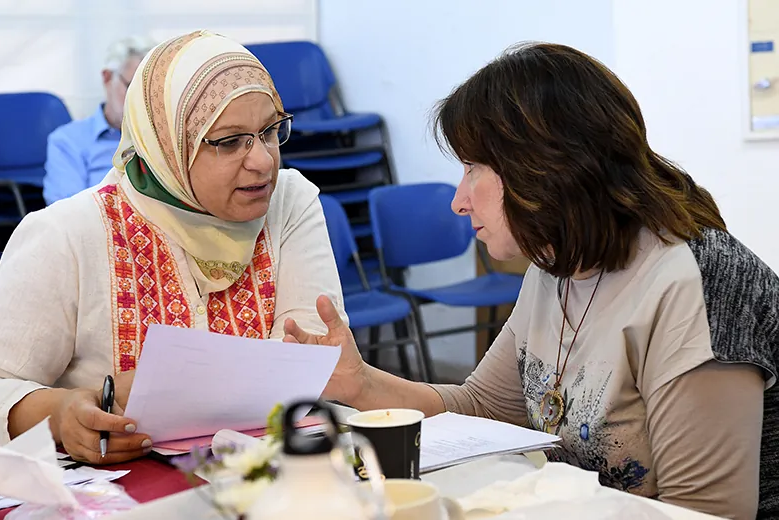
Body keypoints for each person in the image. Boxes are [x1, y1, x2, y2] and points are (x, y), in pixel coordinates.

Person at [284, 43, 779, 519]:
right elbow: (481, 408)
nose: (459, 200)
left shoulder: (695, 282)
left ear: (541, 167)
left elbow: (703, 515)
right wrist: (360, 383)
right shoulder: (557, 262)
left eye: (473, 168)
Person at [0, 31, 345, 465]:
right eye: (229, 141)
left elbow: (309, 364)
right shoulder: (69, 234)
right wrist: (58, 414)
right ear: (166, 147)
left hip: (272, 482)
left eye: (270, 130)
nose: (264, 160)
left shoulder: (288, 202)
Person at [42, 35, 154, 205]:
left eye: (151, 92)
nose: (141, 100)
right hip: (97, 227)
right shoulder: (69, 140)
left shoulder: (164, 137)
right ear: (107, 77)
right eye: (133, 87)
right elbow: (66, 211)